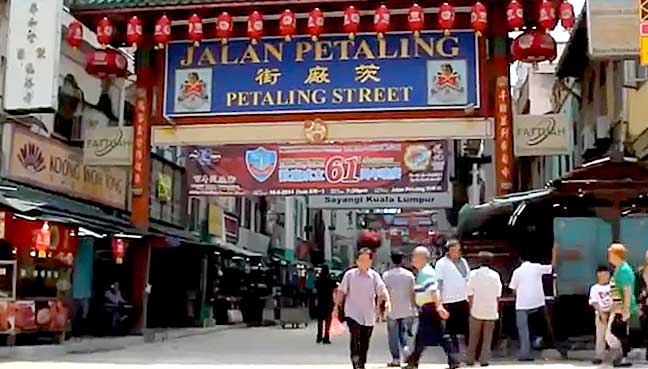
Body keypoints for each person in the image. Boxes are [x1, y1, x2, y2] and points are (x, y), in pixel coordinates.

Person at [336, 248, 390, 369]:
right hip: (352, 313)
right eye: (361, 260)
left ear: (371, 262)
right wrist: (336, 306)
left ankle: (362, 362)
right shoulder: (349, 275)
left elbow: (382, 290)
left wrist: (387, 302)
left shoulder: (374, 276)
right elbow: (341, 291)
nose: (363, 263)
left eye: (366, 260)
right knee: (354, 337)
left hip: (368, 315)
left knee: (365, 342)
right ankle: (355, 361)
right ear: (357, 261)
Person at [405, 246, 455, 369]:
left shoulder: (426, 272)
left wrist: (439, 307)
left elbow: (434, 291)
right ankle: (413, 360)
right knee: (426, 337)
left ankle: (454, 360)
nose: (412, 259)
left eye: (414, 256)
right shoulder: (423, 272)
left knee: (437, 336)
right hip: (428, 308)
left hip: (430, 308)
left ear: (421, 258)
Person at [509, 244, 559, 361]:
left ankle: (524, 354)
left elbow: (513, 289)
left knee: (523, 330)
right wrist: (554, 252)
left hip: (522, 304)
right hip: (538, 303)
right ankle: (551, 342)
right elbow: (552, 267)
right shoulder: (536, 267)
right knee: (545, 324)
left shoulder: (517, 271)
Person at [466, 251, 503, 367]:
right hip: (491, 311)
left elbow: (469, 293)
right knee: (487, 338)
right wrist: (495, 308)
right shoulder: (495, 275)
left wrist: (471, 307)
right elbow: (498, 294)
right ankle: (484, 360)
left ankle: (470, 359)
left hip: (476, 310)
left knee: (473, 338)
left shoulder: (473, 274)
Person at [435, 239, 471, 353]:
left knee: (466, 328)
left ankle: (469, 353)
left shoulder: (463, 262)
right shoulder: (441, 263)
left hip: (464, 299)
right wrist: (439, 302)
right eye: (455, 249)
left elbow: (468, 278)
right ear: (449, 250)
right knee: (451, 331)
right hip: (449, 301)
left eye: (459, 250)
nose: (458, 252)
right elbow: (439, 283)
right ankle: (454, 355)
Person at [383, 251, 417, 367]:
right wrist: (414, 307)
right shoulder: (409, 275)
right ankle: (406, 352)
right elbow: (413, 293)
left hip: (392, 309)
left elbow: (384, 293)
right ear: (402, 260)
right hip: (407, 309)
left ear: (392, 261)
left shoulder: (386, 275)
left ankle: (396, 359)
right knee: (405, 334)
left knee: (393, 335)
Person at [608, 243, 638, 368]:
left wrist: (625, 309)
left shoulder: (624, 270)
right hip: (618, 307)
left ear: (616, 255)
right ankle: (621, 358)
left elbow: (627, 290)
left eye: (610, 253)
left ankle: (622, 356)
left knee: (616, 332)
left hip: (622, 308)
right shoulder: (619, 268)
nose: (609, 256)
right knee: (618, 332)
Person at [589, 265, 612, 365]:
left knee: (613, 336)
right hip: (600, 313)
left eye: (607, 274)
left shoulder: (612, 286)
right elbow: (594, 302)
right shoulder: (595, 288)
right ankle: (599, 356)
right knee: (600, 336)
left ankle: (616, 356)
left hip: (612, 312)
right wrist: (602, 313)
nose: (605, 277)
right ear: (598, 275)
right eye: (603, 274)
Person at [315, 265, 337, 344]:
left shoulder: (318, 279)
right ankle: (326, 337)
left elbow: (315, 288)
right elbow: (335, 287)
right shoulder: (330, 280)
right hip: (328, 302)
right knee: (328, 321)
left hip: (320, 302)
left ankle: (319, 336)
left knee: (320, 320)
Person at [635, 250, 648, 362]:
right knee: (645, 327)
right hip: (643, 304)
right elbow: (635, 289)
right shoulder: (640, 272)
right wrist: (638, 305)